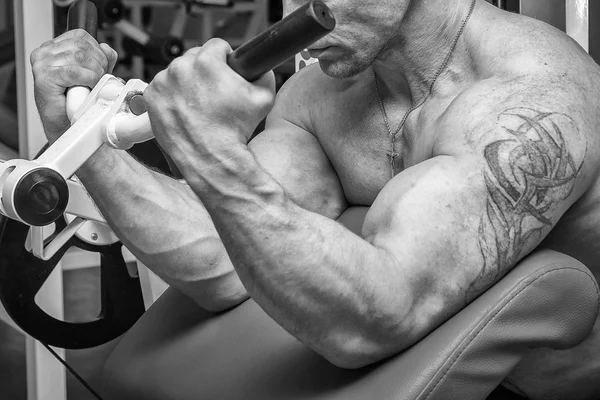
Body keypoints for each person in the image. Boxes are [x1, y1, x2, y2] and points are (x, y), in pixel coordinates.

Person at [30, 0, 600, 398]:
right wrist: (79, 136)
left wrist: (208, 145)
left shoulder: (534, 102)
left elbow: (379, 319)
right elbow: (221, 260)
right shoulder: (322, 97)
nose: (295, 14)